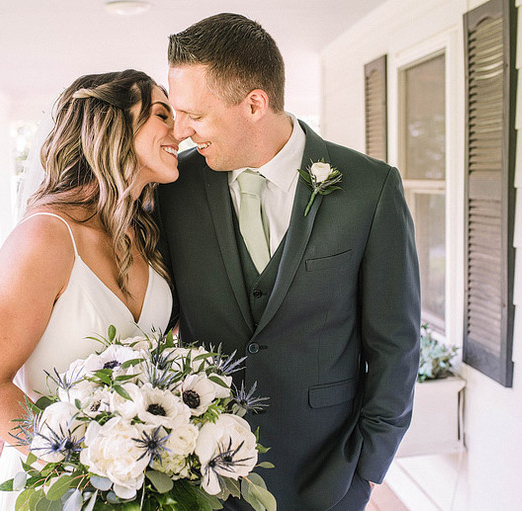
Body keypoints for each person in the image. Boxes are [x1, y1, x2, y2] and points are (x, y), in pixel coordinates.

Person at [156, 13, 421, 511]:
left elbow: (396, 343)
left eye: (195, 115)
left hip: (328, 476)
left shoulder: (370, 188)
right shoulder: (173, 188)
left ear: (254, 104)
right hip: (201, 480)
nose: (183, 131)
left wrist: (368, 468)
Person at [0, 69, 179, 510]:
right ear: (113, 126)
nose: (181, 131)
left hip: (139, 485)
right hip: (60, 487)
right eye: (162, 114)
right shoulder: (46, 237)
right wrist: (82, 468)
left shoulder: (146, 233)